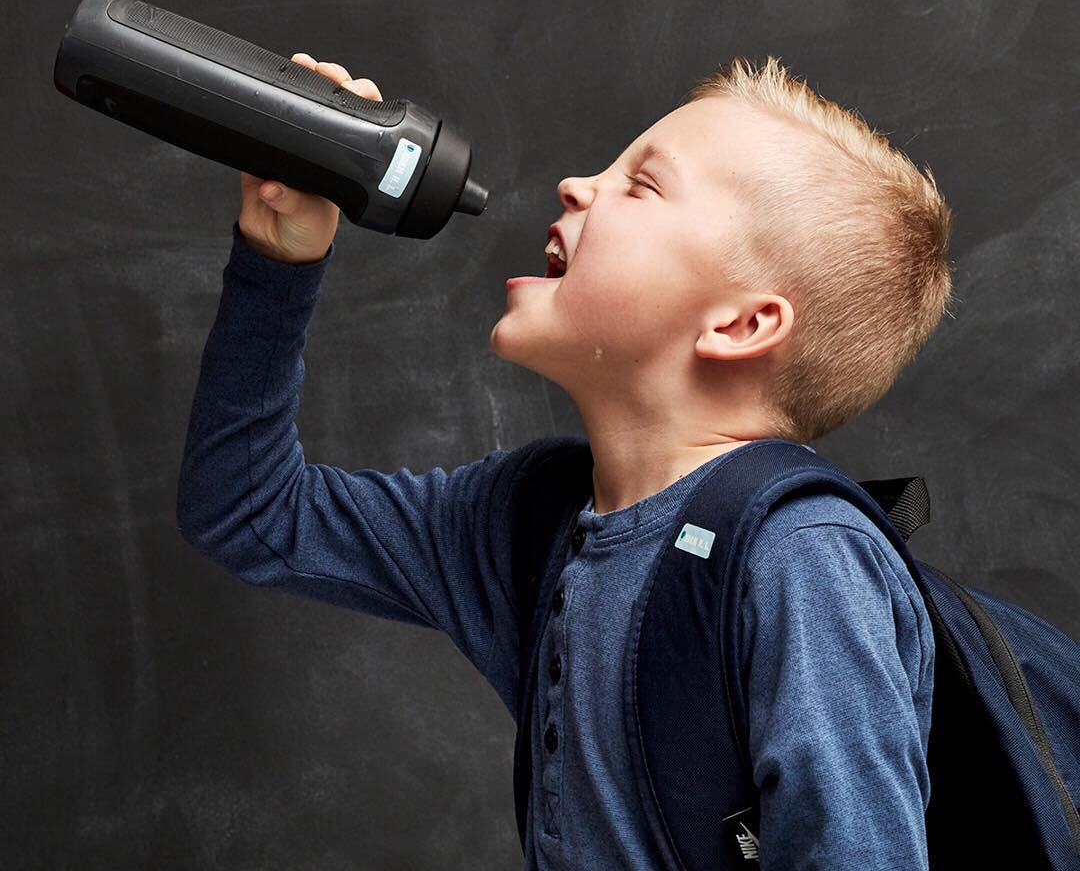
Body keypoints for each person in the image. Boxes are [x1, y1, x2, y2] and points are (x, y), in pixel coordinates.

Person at [177, 52, 954, 869]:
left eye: (642, 185)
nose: (577, 185)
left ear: (739, 325)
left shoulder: (805, 562)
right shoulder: (529, 517)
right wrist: (277, 256)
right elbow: (249, 512)